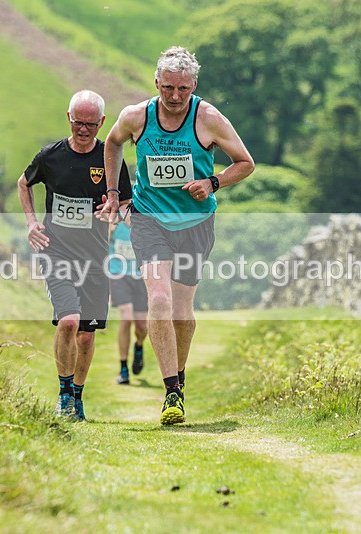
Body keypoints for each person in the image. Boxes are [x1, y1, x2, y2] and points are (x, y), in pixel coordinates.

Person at [101, 46, 254, 424]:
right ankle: (171, 392)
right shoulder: (136, 116)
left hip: (196, 224)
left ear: (194, 86)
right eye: (168, 87)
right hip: (149, 219)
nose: (174, 97)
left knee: (183, 313)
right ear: (156, 83)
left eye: (182, 89)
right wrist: (114, 194)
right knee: (159, 300)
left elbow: (246, 163)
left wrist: (212, 182)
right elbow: (112, 142)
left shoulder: (209, 119)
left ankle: (179, 381)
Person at [18, 89, 132, 422]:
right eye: (78, 123)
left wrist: (114, 209)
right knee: (68, 321)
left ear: (102, 122)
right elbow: (24, 183)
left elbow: (124, 203)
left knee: (86, 333)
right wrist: (31, 223)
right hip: (57, 251)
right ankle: (64, 393)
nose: (84, 130)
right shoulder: (50, 155)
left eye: (91, 124)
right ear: (69, 118)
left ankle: (77, 397)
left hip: (96, 257)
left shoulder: (110, 159)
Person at [108, 219, 148, 385]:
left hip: (140, 276)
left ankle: (139, 346)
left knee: (141, 327)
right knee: (126, 318)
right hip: (118, 275)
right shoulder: (114, 221)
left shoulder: (145, 219)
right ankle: (123, 368)